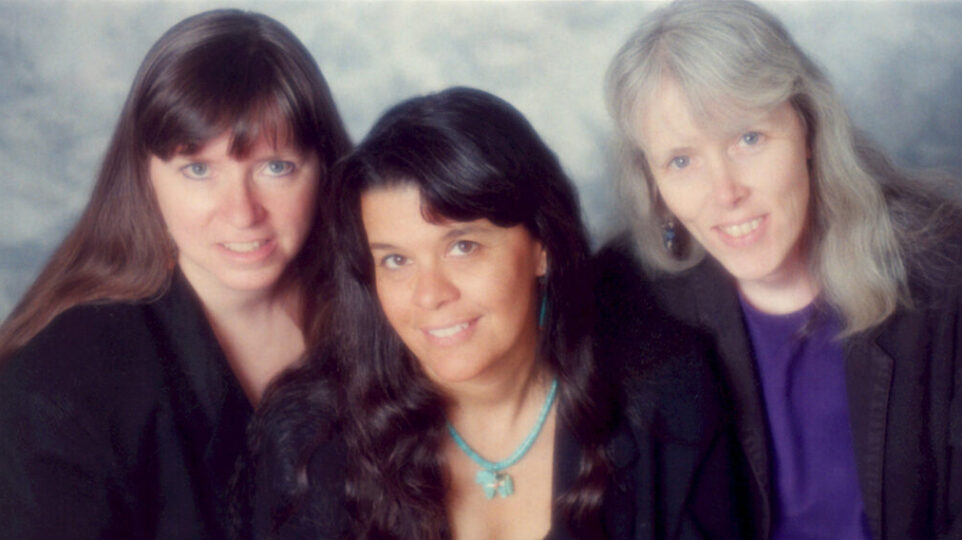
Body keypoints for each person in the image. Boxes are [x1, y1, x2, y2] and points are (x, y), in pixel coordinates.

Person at [248, 87, 747, 539]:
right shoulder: (309, 436)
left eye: (463, 247)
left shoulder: (665, 396)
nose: (429, 294)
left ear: (541, 248)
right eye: (396, 261)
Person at [600, 0, 962, 538]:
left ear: (810, 130)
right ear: (654, 185)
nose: (725, 194)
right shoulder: (632, 295)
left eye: (749, 138)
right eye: (682, 160)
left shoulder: (943, 273)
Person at [0, 9, 351, 538]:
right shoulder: (61, 381)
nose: (241, 212)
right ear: (145, 179)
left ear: (323, 170)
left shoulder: (389, 318)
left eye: (275, 167)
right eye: (198, 169)